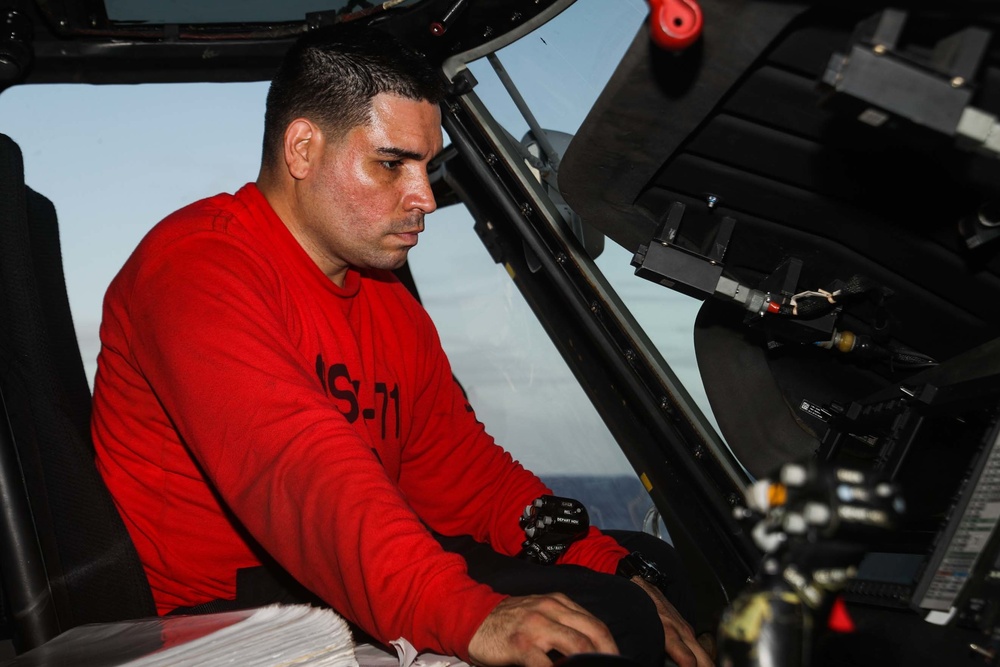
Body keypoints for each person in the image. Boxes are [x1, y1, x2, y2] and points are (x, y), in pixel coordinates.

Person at [91, 24, 714, 667]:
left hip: (328, 587)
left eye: (426, 165)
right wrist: (471, 616)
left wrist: (614, 565)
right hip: (219, 623)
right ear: (303, 148)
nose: (423, 198)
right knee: (592, 643)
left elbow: (472, 481)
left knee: (649, 583)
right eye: (392, 164)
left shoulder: (389, 304)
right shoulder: (196, 267)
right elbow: (303, 476)